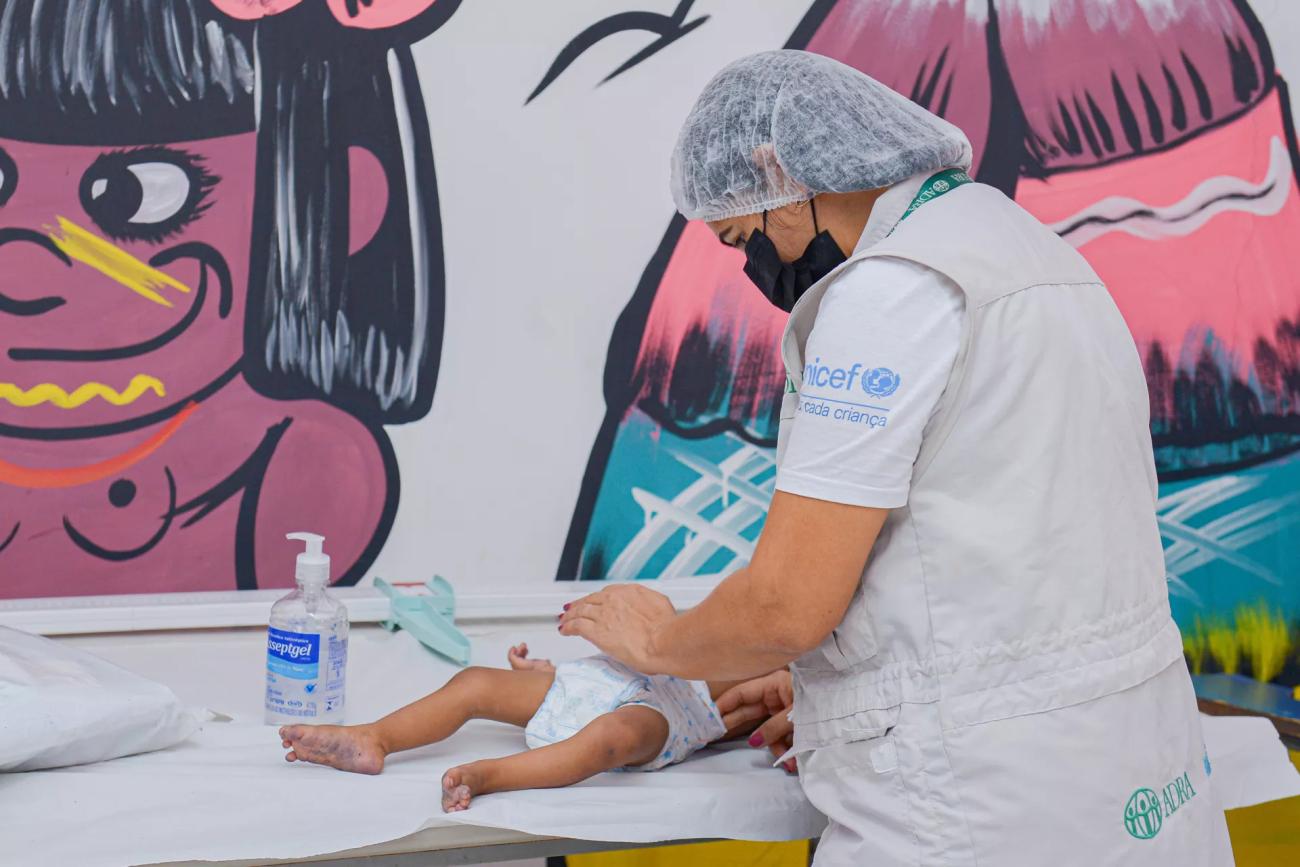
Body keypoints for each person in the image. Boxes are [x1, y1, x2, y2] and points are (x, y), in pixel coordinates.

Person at [559, 50, 1234, 866]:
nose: (753, 270)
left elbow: (785, 606)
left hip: (980, 802)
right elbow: (1001, 541)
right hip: (1132, 767)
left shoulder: (888, 293)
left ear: (778, 168)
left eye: (744, 236)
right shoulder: (1029, 252)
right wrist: (824, 675)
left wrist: (661, 641)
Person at [277, 643, 771, 812]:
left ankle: (490, 775)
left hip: (669, 712)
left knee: (608, 739)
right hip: (601, 675)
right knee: (473, 683)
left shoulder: (799, 670)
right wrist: (543, 674)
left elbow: (763, 713)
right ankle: (374, 736)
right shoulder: (745, 619)